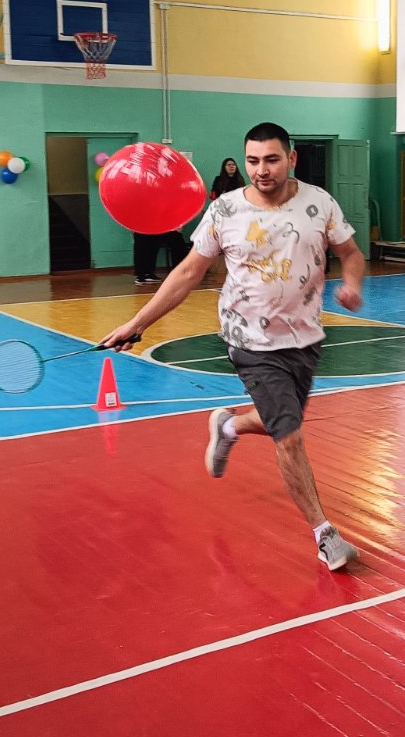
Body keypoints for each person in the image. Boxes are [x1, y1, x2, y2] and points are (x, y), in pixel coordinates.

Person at [104, 122, 365, 571]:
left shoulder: (319, 202)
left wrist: (353, 284)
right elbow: (188, 272)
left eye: (272, 160)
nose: (261, 170)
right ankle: (325, 535)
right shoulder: (225, 210)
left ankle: (228, 425)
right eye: (252, 161)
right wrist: (136, 323)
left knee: (280, 420)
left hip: (305, 337)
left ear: (291, 159)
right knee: (290, 436)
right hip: (250, 340)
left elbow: (351, 253)